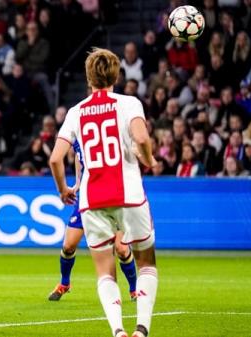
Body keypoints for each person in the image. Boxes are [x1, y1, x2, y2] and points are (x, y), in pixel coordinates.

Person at [49, 48, 158, 337]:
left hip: (92, 198)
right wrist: (148, 159)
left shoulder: (76, 112)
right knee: (146, 261)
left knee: (105, 270)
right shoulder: (129, 103)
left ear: (88, 78)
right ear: (116, 75)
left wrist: (63, 190)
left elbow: (54, 158)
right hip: (130, 196)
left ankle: (118, 331)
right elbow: (142, 138)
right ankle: (142, 329)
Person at [48, 141, 138, 302]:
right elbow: (78, 155)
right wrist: (78, 182)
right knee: (68, 246)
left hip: (112, 197)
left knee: (122, 249)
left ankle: (134, 289)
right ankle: (64, 284)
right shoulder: (80, 129)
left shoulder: (110, 130)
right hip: (87, 197)